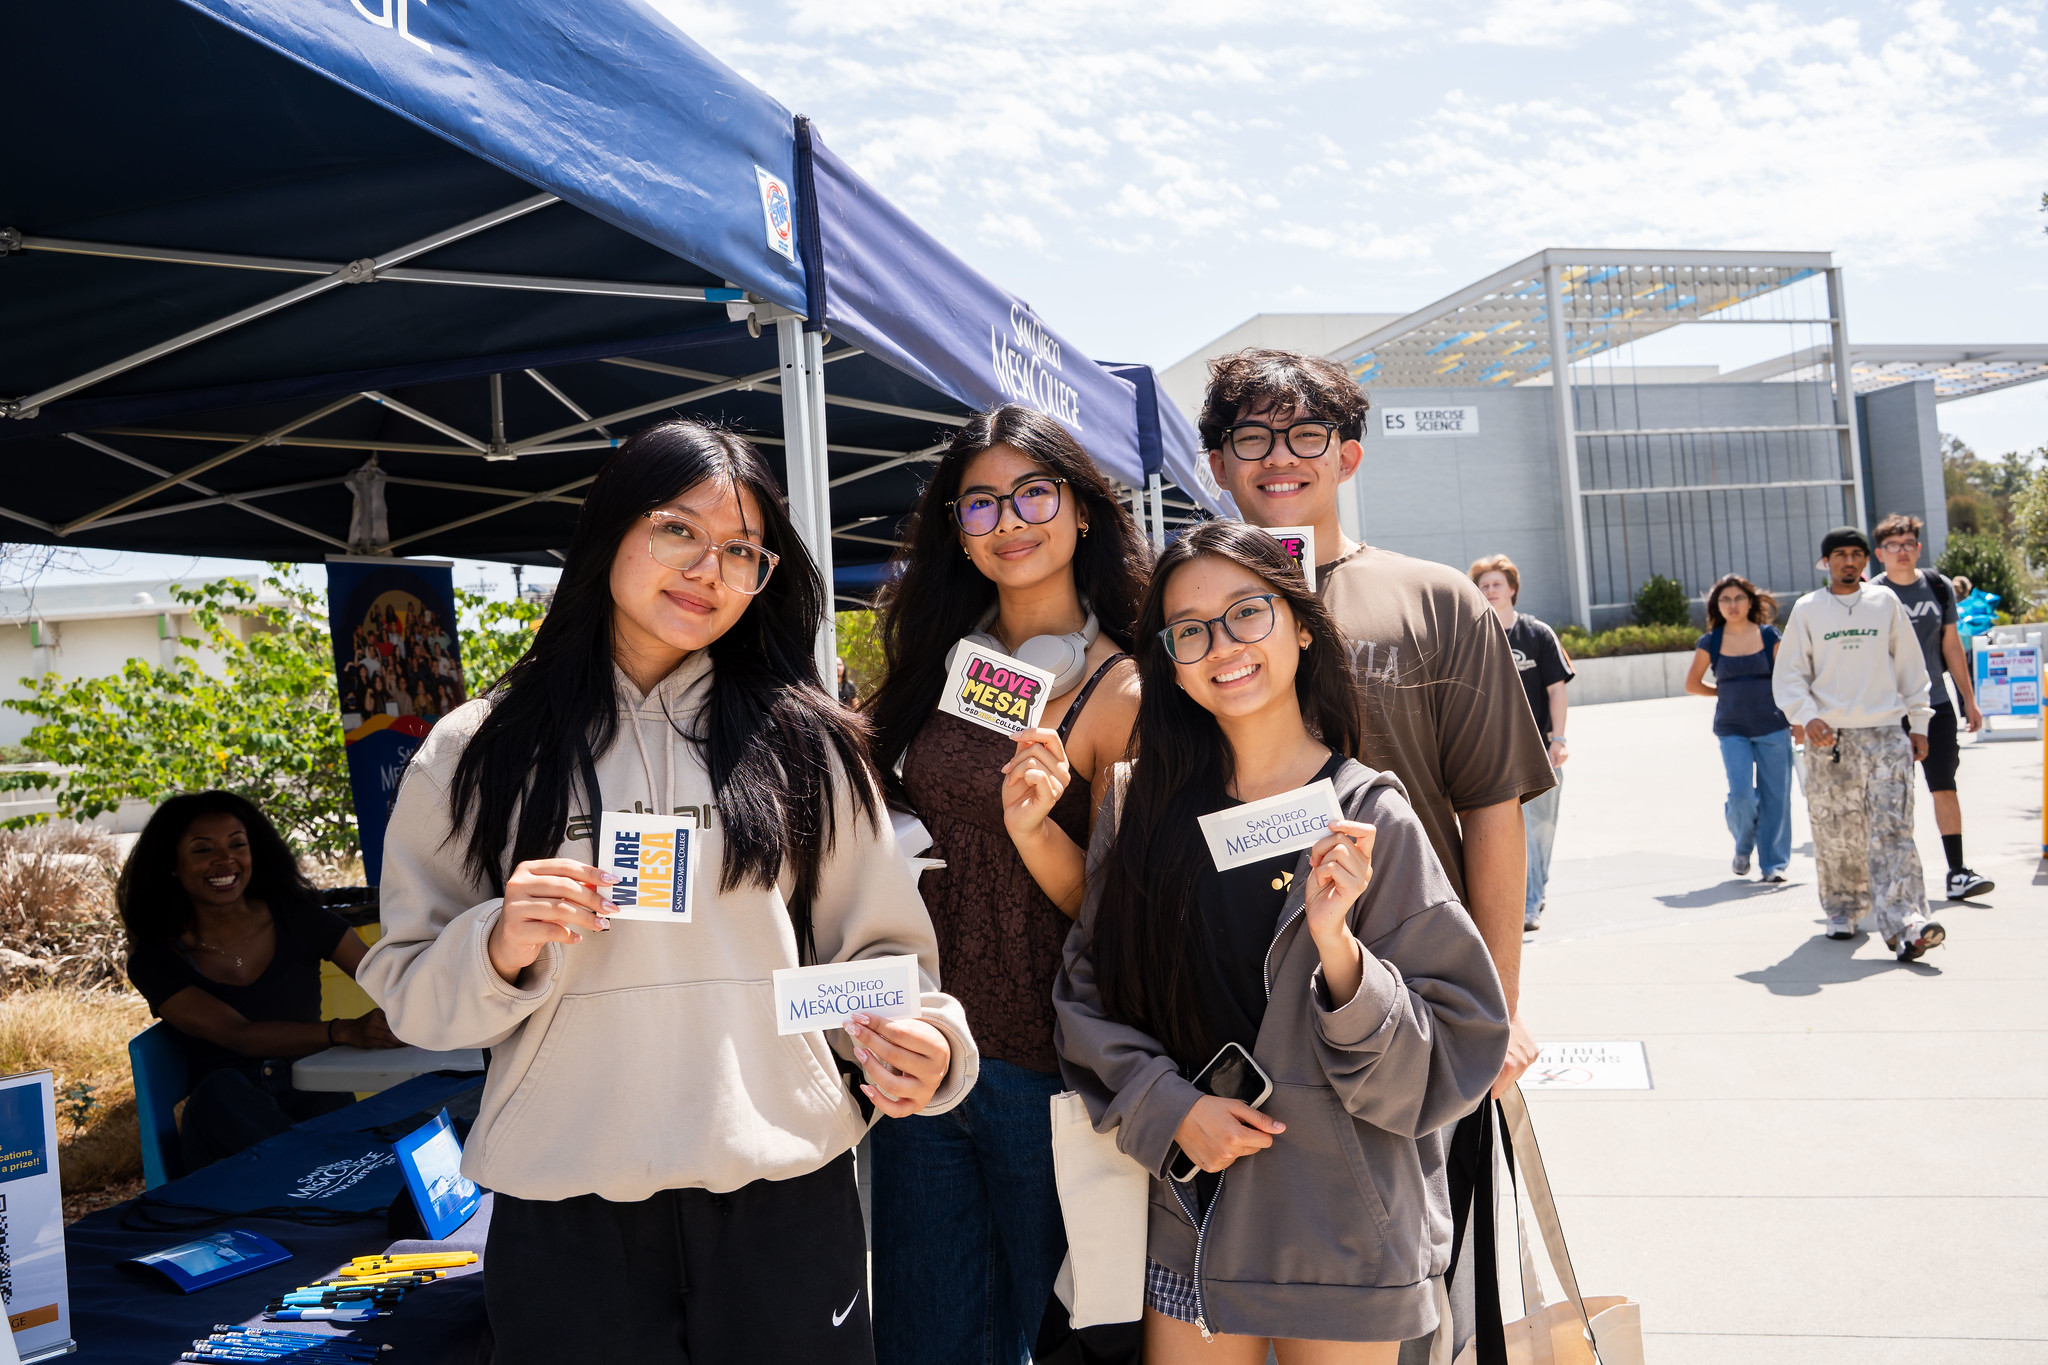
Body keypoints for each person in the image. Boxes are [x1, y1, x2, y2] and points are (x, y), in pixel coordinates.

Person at [357, 419, 979, 1365]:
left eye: (741, 551)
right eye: (679, 530)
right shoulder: (478, 750)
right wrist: (496, 940)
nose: (709, 569)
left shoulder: (809, 747)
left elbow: (890, 960)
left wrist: (930, 1043)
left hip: (784, 1194)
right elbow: (407, 987)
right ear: (611, 530)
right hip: (566, 1212)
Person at [1054, 521, 1509, 1362]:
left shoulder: (1370, 812)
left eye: (1247, 613)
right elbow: (1086, 1000)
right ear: (1170, 661)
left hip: (1341, 1223)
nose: (1221, 644)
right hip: (1193, 1215)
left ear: (1301, 624)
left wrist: (1341, 950)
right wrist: (1172, 1108)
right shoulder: (1143, 813)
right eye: (1189, 629)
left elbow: (1450, 1054)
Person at [1198, 349, 1548, 1358]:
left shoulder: (1433, 601)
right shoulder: (1187, 615)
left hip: (1397, 1010)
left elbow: (1490, 810)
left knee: (1409, 1301)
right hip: (1234, 1021)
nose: (1279, 457)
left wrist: (1498, 1009)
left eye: (1304, 435)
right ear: (1217, 461)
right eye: (1251, 437)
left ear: (1346, 455)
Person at [864, 404, 1147, 1365]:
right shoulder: (935, 667)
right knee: (925, 1334)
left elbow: (1125, 919)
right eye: (978, 503)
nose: (1009, 520)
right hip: (925, 1053)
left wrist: (1033, 830)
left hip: (1048, 1066)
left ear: (1079, 511)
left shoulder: (1126, 689)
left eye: (1033, 492)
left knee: (1064, 1333)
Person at [119, 791, 401, 1172]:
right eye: (203, 850)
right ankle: (330, 1178)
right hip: (231, 1128)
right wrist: (345, 1032)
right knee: (221, 1090)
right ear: (171, 865)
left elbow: (390, 980)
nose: (225, 860)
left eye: (238, 844)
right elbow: (240, 1035)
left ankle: (335, 1178)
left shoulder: (300, 918)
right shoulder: (155, 959)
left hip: (316, 1096)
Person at [1773, 526, 1943, 958]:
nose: (1848, 561)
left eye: (1856, 554)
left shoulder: (1884, 603)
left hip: (1886, 733)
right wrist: (1807, 717)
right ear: (1825, 562)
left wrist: (1919, 722)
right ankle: (1843, 909)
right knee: (1837, 831)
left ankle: (1907, 920)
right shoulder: (1809, 610)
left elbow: (1910, 663)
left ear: (1866, 560)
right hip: (1831, 740)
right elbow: (1790, 674)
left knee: (1894, 829)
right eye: (1839, 555)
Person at [1870, 513, 1994, 900]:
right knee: (1890, 794)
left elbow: (1951, 646)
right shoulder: (1872, 594)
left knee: (1944, 786)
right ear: (1880, 553)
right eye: (1893, 545)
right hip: (1888, 710)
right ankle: (1892, 879)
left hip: (1935, 704)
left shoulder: (1938, 586)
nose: (1902, 552)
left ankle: (1957, 873)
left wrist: (1968, 700)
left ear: (1918, 548)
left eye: (1908, 544)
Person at [1469, 555, 1573, 931]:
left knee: (1540, 828)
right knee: (1497, 833)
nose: (1490, 591)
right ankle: (1517, 903)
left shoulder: (1538, 634)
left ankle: (1533, 897)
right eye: (1483, 585)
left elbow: (1557, 691)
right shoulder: (1471, 636)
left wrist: (1558, 739)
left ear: (1512, 589)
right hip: (1490, 753)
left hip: (1540, 752)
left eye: (1497, 584)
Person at [1684, 574, 1794, 883]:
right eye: (1725, 600)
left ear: (1750, 601)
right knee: (1742, 795)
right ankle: (1744, 845)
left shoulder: (1770, 636)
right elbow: (1692, 683)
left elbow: (1787, 679)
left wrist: (1797, 723)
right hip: (1732, 729)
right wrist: (1723, 692)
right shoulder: (1711, 641)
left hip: (1773, 726)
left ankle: (1773, 864)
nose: (1732, 605)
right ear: (1716, 606)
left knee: (1777, 797)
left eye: (1738, 598)